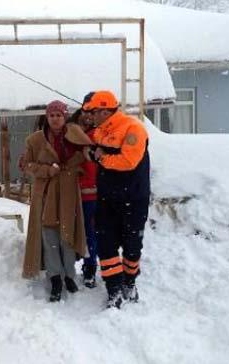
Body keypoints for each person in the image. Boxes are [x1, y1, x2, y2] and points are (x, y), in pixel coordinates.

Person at [83, 90, 150, 309]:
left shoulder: (134, 128)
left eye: (92, 112)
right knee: (106, 246)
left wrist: (102, 157)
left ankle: (129, 283)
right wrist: (93, 153)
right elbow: (95, 151)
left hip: (133, 199)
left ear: (104, 110)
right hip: (107, 200)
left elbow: (128, 162)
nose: (89, 116)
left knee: (132, 247)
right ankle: (113, 288)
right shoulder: (100, 132)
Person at [22, 100, 92, 302]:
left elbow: (87, 154)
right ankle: (55, 278)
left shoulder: (75, 135)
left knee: (67, 235)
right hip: (45, 192)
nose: (55, 119)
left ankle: (69, 275)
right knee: (49, 235)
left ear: (65, 116)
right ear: (47, 117)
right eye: (51, 115)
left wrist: (73, 166)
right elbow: (26, 165)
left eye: (58, 115)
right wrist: (47, 170)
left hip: (68, 191)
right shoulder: (35, 140)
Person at [67, 108, 99, 289]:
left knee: (91, 234)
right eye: (85, 112)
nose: (88, 116)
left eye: (92, 113)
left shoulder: (99, 134)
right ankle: (67, 269)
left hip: (92, 194)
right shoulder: (69, 134)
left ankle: (90, 269)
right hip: (70, 193)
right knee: (69, 234)